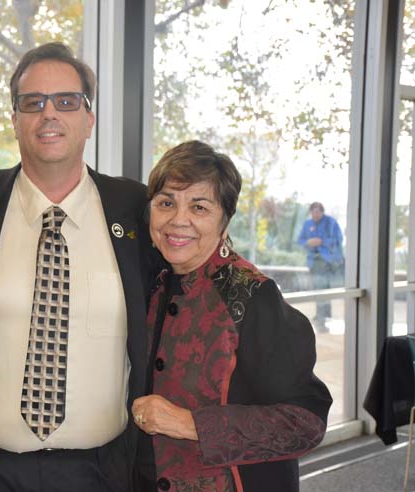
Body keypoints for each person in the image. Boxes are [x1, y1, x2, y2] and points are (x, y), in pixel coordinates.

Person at [0, 42, 151, 492]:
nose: (48, 114)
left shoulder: (135, 208)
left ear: (89, 119)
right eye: (32, 103)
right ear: (14, 120)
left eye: (66, 101)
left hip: (103, 473)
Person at [132, 140, 332, 492]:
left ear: (224, 220)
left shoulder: (252, 295)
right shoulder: (153, 282)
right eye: (166, 203)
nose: (179, 220)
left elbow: (306, 422)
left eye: (199, 207)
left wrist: (188, 424)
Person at [297, 201, 344, 331]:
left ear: (322, 212)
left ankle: (323, 316)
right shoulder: (307, 224)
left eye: (318, 211)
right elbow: (300, 241)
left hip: (328, 261)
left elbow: (338, 240)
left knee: (324, 288)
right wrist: (308, 242)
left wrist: (321, 242)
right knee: (318, 288)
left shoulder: (331, 222)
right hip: (313, 261)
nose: (315, 214)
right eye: (313, 212)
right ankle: (321, 315)